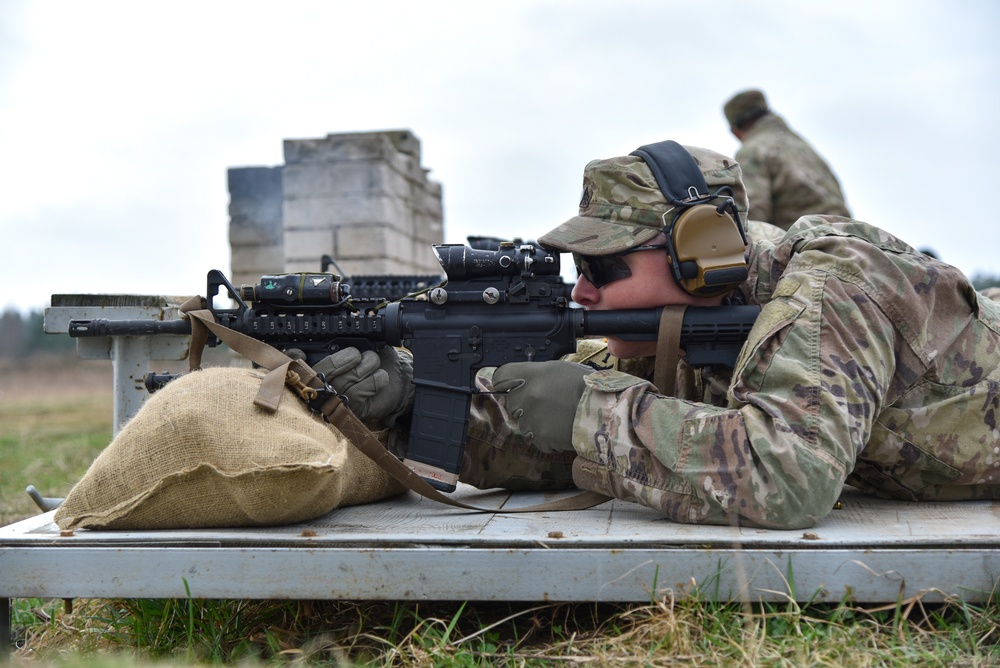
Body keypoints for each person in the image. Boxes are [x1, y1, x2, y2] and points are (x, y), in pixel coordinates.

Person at [321, 140, 1000, 530]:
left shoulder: (835, 285)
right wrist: (407, 405)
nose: (582, 290)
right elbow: (599, 452)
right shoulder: (684, 328)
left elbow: (789, 477)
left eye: (602, 267)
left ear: (701, 254)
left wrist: (591, 407)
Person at [724, 89, 852, 229]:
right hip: (848, 238)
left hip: (805, 243)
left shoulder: (752, 150)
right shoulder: (802, 146)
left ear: (735, 132)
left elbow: (751, 214)